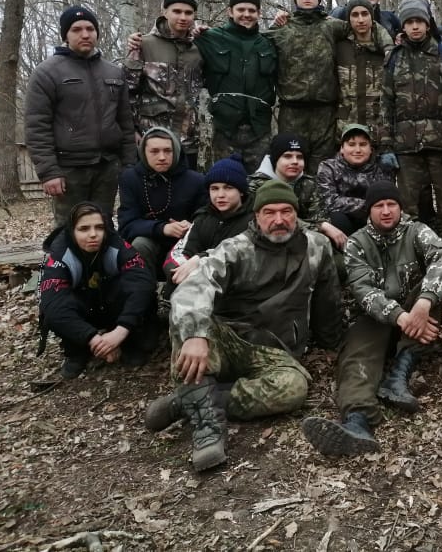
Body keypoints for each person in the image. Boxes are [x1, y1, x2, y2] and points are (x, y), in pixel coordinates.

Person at [143, 180, 343, 472]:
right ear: (256, 216)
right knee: (189, 323)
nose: (279, 220)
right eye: (269, 212)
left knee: (294, 389)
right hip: (230, 340)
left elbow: (328, 297)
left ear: (296, 214)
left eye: (287, 211)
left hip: (276, 350)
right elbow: (193, 287)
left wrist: (332, 341)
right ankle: (207, 429)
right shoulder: (235, 249)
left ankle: (188, 401)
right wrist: (196, 335)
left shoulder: (317, 246)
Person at [301, 182, 442, 456]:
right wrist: (402, 318)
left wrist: (424, 302)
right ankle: (357, 422)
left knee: (433, 283)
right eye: (379, 206)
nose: (386, 211)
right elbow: (363, 290)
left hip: (416, 312)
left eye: (391, 205)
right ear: (369, 210)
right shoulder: (357, 243)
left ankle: (399, 374)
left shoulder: (416, 231)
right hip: (378, 317)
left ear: (400, 207)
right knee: (355, 356)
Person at [25, 5, 136, 225]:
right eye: (76, 29)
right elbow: (37, 126)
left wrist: (129, 165)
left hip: (107, 167)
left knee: (102, 226)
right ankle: (62, 261)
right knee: (69, 230)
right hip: (68, 169)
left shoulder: (113, 72)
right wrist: (49, 172)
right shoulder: (47, 72)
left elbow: (125, 122)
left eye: (90, 28)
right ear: (65, 35)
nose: (85, 34)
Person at [379, 0, 442, 250]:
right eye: (410, 22)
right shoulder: (394, 59)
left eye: (419, 21)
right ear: (403, 27)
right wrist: (385, 146)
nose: (415, 27)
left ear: (428, 24)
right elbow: (385, 106)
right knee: (408, 208)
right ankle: (410, 256)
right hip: (405, 147)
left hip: (441, 144)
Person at [37, 201, 155, 378]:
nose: (93, 235)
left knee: (139, 291)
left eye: (99, 227)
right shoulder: (58, 255)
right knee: (55, 309)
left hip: (112, 307)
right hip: (83, 309)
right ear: (72, 230)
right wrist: (94, 339)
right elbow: (54, 306)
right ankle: (77, 350)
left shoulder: (117, 244)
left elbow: (143, 283)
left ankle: (129, 342)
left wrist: (121, 331)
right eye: (84, 229)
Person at [267, 0, 351, 171]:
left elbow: (364, 26)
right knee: (291, 167)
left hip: (325, 111)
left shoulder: (331, 26)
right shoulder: (283, 28)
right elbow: (251, 39)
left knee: (322, 168)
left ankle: (318, 202)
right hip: (291, 112)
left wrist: (394, 39)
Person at [192, 0, 278, 170]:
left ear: (259, 13)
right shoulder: (210, 39)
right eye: (241, 9)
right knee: (227, 185)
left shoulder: (269, 43)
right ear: (230, 11)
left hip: (259, 129)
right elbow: (176, 41)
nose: (246, 14)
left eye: (251, 10)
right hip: (224, 129)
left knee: (259, 185)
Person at [124, 0, 205, 169]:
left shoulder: (199, 48)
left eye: (188, 13)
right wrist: (133, 131)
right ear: (165, 12)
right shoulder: (143, 44)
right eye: (176, 11)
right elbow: (128, 91)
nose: (183, 17)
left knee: (185, 193)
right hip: (152, 139)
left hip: (187, 141)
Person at [116, 127, 207, 281]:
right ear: (143, 153)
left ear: (176, 152)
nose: (162, 157)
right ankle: (144, 295)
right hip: (151, 238)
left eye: (167, 151)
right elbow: (127, 224)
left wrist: (190, 225)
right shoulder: (131, 178)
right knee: (140, 244)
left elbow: (205, 216)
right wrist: (163, 228)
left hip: (186, 240)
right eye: (154, 151)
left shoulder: (196, 180)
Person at [163, 154, 254, 287]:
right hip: (193, 289)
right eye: (214, 188)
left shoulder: (255, 220)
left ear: (241, 191)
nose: (220, 195)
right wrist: (183, 270)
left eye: (228, 188)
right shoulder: (202, 218)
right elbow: (178, 253)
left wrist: (199, 261)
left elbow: (242, 259)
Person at [249, 132, 349, 250]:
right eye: (287, 156)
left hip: (303, 237)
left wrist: (322, 224)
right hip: (267, 238)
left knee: (339, 220)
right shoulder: (256, 184)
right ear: (275, 159)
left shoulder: (308, 183)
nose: (295, 161)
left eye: (300, 157)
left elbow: (318, 215)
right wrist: (321, 226)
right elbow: (258, 221)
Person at [316, 124, 393, 236]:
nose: (357, 150)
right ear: (342, 148)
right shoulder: (328, 167)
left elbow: (387, 201)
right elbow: (329, 202)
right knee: (337, 217)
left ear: (370, 149)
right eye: (351, 144)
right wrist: (368, 205)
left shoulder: (381, 168)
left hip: (373, 221)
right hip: (342, 225)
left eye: (363, 144)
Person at [334, 0, 394, 131]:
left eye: (364, 14)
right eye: (355, 15)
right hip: (346, 133)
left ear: (371, 17)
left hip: (379, 132)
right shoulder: (339, 49)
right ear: (348, 19)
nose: (360, 20)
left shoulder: (385, 51)